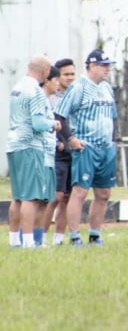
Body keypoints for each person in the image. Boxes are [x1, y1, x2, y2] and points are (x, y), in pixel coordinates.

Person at [54, 49, 118, 246]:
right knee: (80, 191)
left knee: (103, 193)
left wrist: (113, 140)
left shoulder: (107, 88)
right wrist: (71, 139)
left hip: (105, 148)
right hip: (86, 146)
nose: (108, 69)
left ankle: (95, 234)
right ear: (91, 66)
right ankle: (74, 237)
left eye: (109, 65)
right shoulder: (78, 87)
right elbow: (59, 116)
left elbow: (113, 116)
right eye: (103, 65)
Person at [7, 55, 59, 248]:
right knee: (31, 197)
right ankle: (29, 242)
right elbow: (38, 124)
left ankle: (14, 240)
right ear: (45, 70)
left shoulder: (17, 88)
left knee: (18, 197)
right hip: (30, 146)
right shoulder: (35, 92)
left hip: (13, 145)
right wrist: (54, 124)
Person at [43, 58, 77, 245]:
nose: (70, 78)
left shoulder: (77, 94)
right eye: (66, 74)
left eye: (73, 74)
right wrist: (58, 143)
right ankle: (42, 237)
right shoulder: (50, 98)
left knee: (68, 197)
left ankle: (59, 238)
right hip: (57, 152)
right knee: (54, 196)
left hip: (75, 152)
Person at [34, 66, 62, 246]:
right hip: (40, 154)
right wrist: (53, 124)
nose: (58, 84)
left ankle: (37, 239)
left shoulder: (48, 101)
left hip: (50, 153)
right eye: (56, 80)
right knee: (36, 200)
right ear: (47, 80)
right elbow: (37, 124)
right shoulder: (38, 99)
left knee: (45, 200)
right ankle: (31, 239)